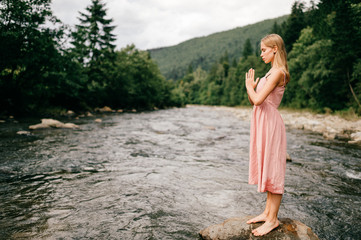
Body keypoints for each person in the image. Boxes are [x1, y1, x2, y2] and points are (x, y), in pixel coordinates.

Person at [245, 33, 290, 236]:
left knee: (274, 170)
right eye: (261, 50)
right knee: (267, 167)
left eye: (264, 49)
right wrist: (251, 89)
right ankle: (267, 212)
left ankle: (272, 219)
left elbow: (258, 101)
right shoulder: (269, 73)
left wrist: (249, 88)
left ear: (275, 49)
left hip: (270, 124)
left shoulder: (278, 72)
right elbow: (254, 99)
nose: (261, 53)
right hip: (263, 122)